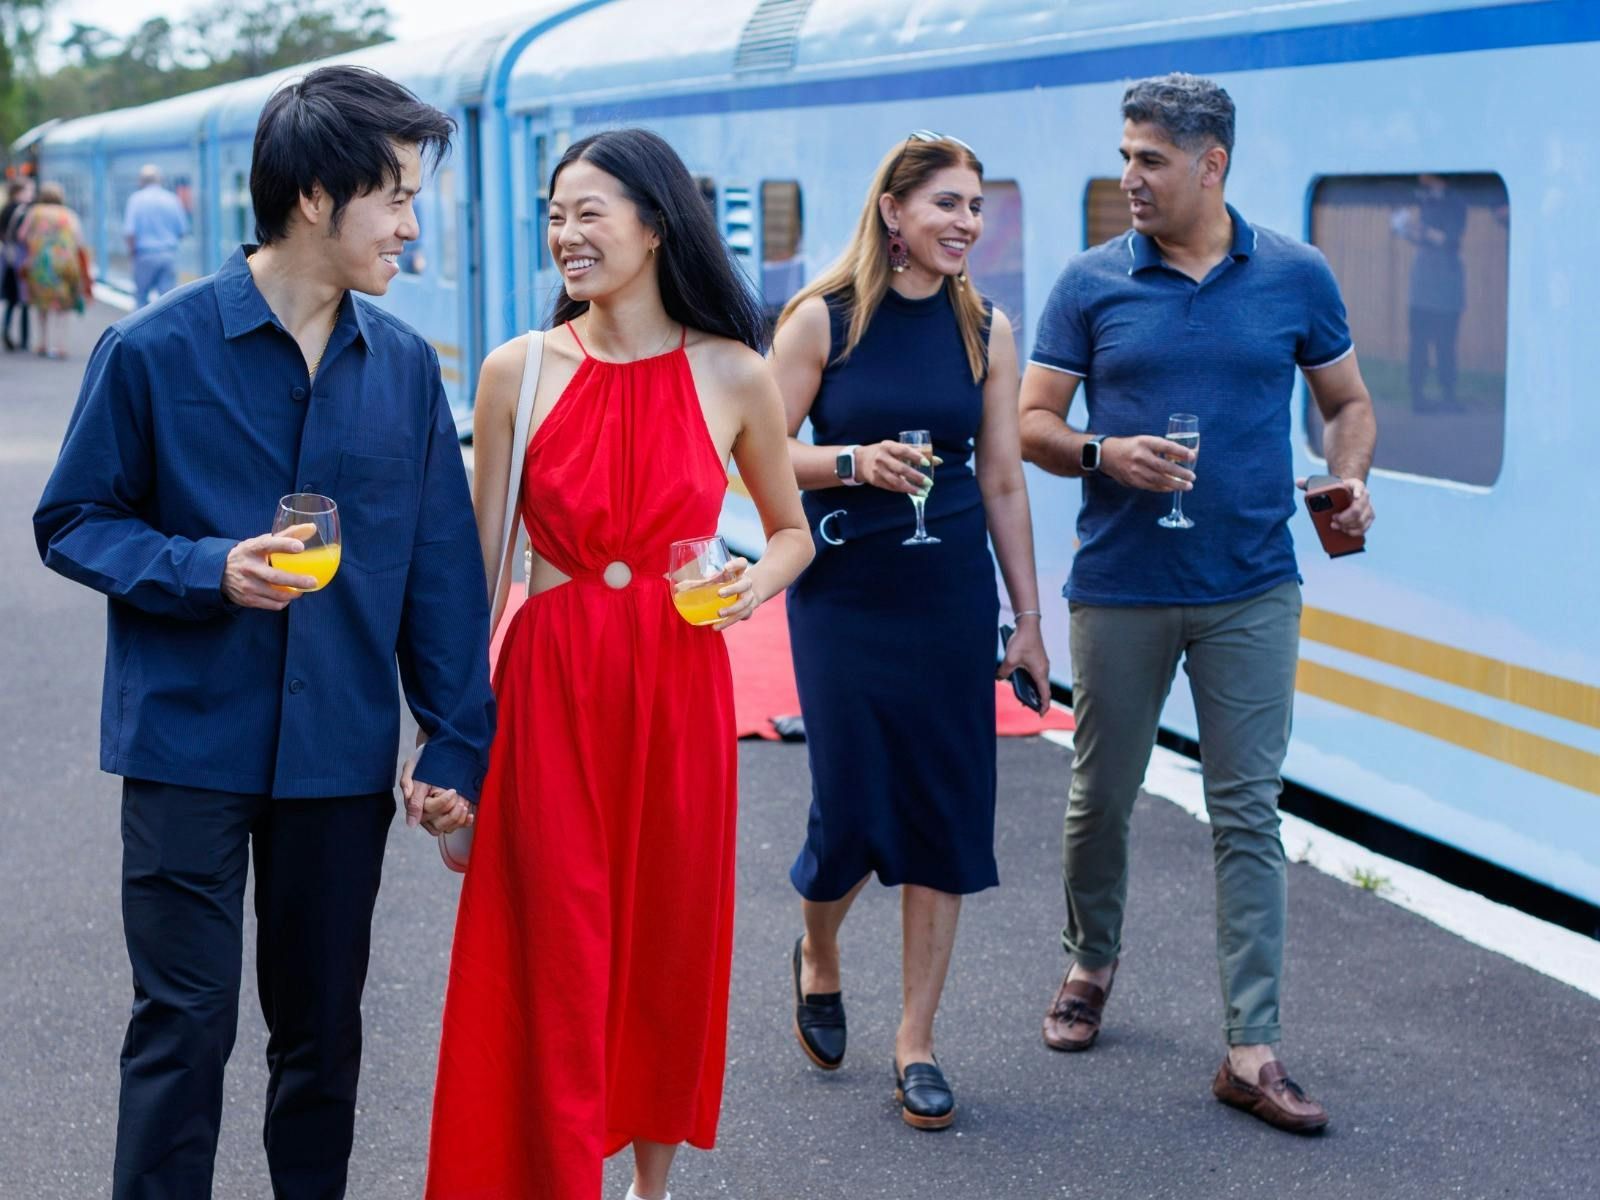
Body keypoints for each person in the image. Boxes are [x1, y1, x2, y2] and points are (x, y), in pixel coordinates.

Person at [33, 65, 493, 1198]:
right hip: (187, 740)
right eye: (393, 195)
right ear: (313, 197)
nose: (409, 224)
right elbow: (73, 520)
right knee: (182, 1028)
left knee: (321, 1037)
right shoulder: (153, 350)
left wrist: (454, 742)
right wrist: (204, 568)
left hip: (338, 749)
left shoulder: (403, 375)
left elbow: (438, 570)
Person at [424, 128, 813, 1200]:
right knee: (553, 940)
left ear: (655, 222)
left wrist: (753, 583)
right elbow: (478, 567)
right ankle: (552, 1176)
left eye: (589, 212)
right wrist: (454, 738)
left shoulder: (735, 371)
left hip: (677, 685)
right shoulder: (519, 368)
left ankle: (652, 1183)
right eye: (555, 214)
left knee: (666, 932)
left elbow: (791, 531)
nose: (567, 234)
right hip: (550, 682)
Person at [1018, 73, 1377, 1135]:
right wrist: (1101, 451)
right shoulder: (1089, 284)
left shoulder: (1296, 276)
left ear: (1210, 164)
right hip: (1122, 586)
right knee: (1101, 799)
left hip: (1253, 586)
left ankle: (1250, 1048)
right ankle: (1088, 963)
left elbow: (1346, 402)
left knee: (1247, 812)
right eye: (1124, 155)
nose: (1127, 176)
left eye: (1148, 159)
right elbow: (1034, 423)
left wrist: (1351, 478)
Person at [769, 132, 1050, 1131]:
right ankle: (819, 950)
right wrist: (850, 464)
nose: (966, 223)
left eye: (976, 206)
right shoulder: (820, 321)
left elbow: (1005, 479)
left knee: (941, 811)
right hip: (844, 598)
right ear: (893, 211)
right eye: (946, 204)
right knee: (849, 810)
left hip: (947, 597)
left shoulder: (986, 329)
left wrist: (1026, 622)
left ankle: (916, 1042)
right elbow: (748, 455)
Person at [1391, 173, 1467, 413]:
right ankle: (1417, 397)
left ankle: (1448, 397)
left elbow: (1450, 239)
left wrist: (1419, 228)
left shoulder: (1456, 202)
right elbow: (1419, 236)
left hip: (1446, 284)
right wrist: (1404, 228)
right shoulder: (1422, 199)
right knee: (1419, 343)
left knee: (1446, 343)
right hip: (1422, 285)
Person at [17, 180, 89, 359]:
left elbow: (22, 235)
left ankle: (42, 342)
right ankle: (60, 345)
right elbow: (79, 239)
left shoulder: (35, 212)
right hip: (64, 265)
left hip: (40, 264)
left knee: (42, 304)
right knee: (62, 306)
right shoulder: (68, 214)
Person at [123, 163, 189, 309]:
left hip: (144, 256)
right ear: (160, 180)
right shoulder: (172, 199)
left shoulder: (136, 200)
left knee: (141, 301)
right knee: (168, 302)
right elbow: (182, 230)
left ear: (141, 181)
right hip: (168, 255)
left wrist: (132, 255)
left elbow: (130, 232)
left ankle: (142, 332)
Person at [2, 177, 33, 352]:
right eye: (28, 190)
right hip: (20, 259)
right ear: (18, 192)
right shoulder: (23, 212)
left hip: (7, 257)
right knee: (24, 299)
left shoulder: (5, 209)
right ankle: (24, 339)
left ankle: (5, 328)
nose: (32, 194)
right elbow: (24, 237)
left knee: (11, 299)